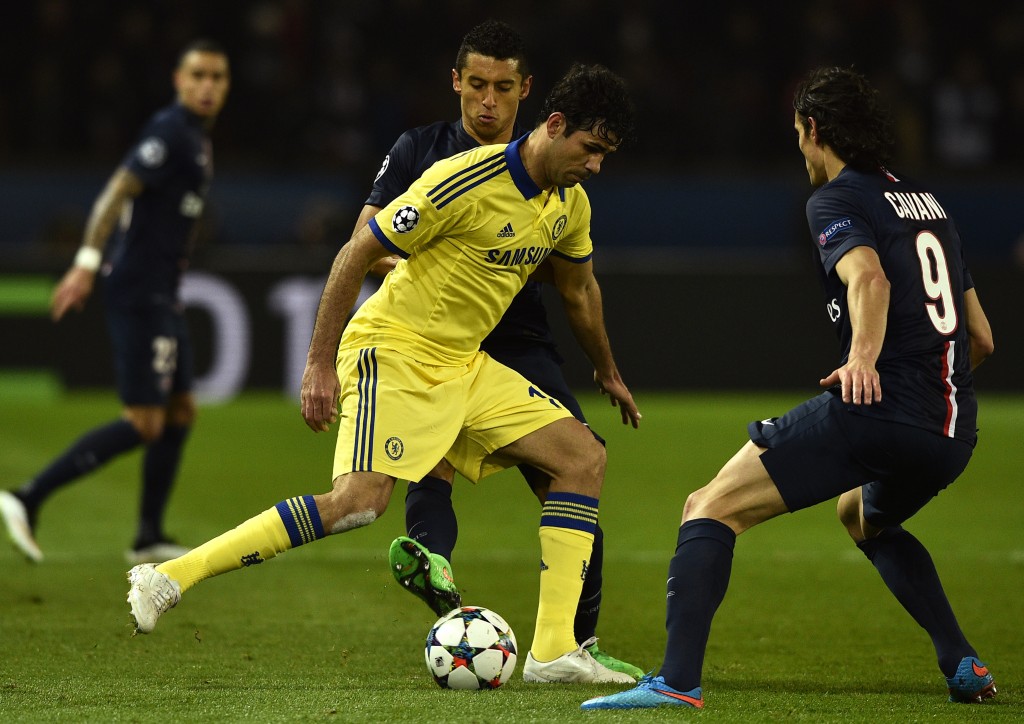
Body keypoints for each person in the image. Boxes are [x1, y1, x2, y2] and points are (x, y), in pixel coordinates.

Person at [126, 62, 641, 685]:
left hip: (465, 365)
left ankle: (555, 651)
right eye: (590, 149)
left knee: (582, 458)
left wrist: (607, 370)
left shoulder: (569, 205)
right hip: (393, 351)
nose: (595, 166)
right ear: (555, 125)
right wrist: (318, 363)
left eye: (605, 155)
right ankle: (170, 577)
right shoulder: (461, 180)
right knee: (358, 504)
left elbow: (581, 288)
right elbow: (356, 251)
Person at [582, 66, 997, 710]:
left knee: (708, 506)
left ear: (814, 130)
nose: (799, 149)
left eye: (798, 135)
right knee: (863, 516)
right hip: (950, 434)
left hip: (877, 408)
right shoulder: (930, 207)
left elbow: (870, 281)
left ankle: (677, 683)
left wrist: (865, 361)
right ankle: (961, 660)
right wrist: (928, 393)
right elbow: (981, 338)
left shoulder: (834, 200)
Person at [350, 19, 640, 680]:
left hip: (517, 338)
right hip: (436, 337)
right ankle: (437, 577)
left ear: (526, 92)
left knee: (573, 472)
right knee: (432, 461)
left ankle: (574, 643)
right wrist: (412, 276)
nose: (487, 101)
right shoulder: (420, 150)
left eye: (502, 88)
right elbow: (365, 235)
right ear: (455, 82)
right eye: (475, 84)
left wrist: (606, 365)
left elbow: (577, 284)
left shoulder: (553, 168)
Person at [0, 40, 231, 565]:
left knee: (180, 410)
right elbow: (116, 192)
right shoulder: (170, 130)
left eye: (217, 77)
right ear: (178, 80)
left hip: (162, 293)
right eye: (198, 75)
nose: (207, 86)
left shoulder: (196, 138)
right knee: (145, 421)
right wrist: (85, 262)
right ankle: (25, 497)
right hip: (139, 291)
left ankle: (148, 535)